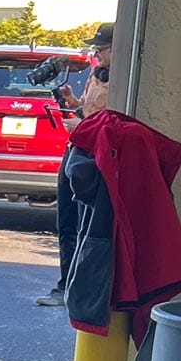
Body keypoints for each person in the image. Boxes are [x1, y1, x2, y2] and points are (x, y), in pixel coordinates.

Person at [37, 23, 114, 308]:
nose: (96, 53)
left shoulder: (121, 83)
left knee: (85, 226)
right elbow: (88, 109)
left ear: (117, 49)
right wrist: (73, 103)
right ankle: (64, 284)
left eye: (101, 48)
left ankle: (79, 288)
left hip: (95, 157)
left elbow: (111, 124)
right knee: (66, 223)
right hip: (76, 149)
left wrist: (81, 124)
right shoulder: (96, 75)